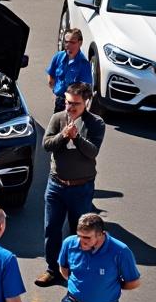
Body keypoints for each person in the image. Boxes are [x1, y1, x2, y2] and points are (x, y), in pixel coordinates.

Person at [36, 82, 105, 288]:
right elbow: (47, 144)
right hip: (56, 185)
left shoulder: (96, 123)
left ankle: (76, 269)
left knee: (79, 231)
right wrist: (63, 135)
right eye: (67, 102)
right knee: (52, 228)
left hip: (81, 188)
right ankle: (52, 269)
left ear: (86, 102)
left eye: (75, 104)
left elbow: (92, 152)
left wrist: (77, 138)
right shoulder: (58, 118)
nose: (69, 107)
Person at [46, 28, 93, 112]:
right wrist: (54, 91)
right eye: (66, 42)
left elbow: (86, 90)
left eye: (72, 42)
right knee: (56, 124)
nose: (68, 45)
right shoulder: (58, 57)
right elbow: (51, 74)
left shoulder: (83, 64)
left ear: (80, 43)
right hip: (59, 102)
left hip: (74, 105)